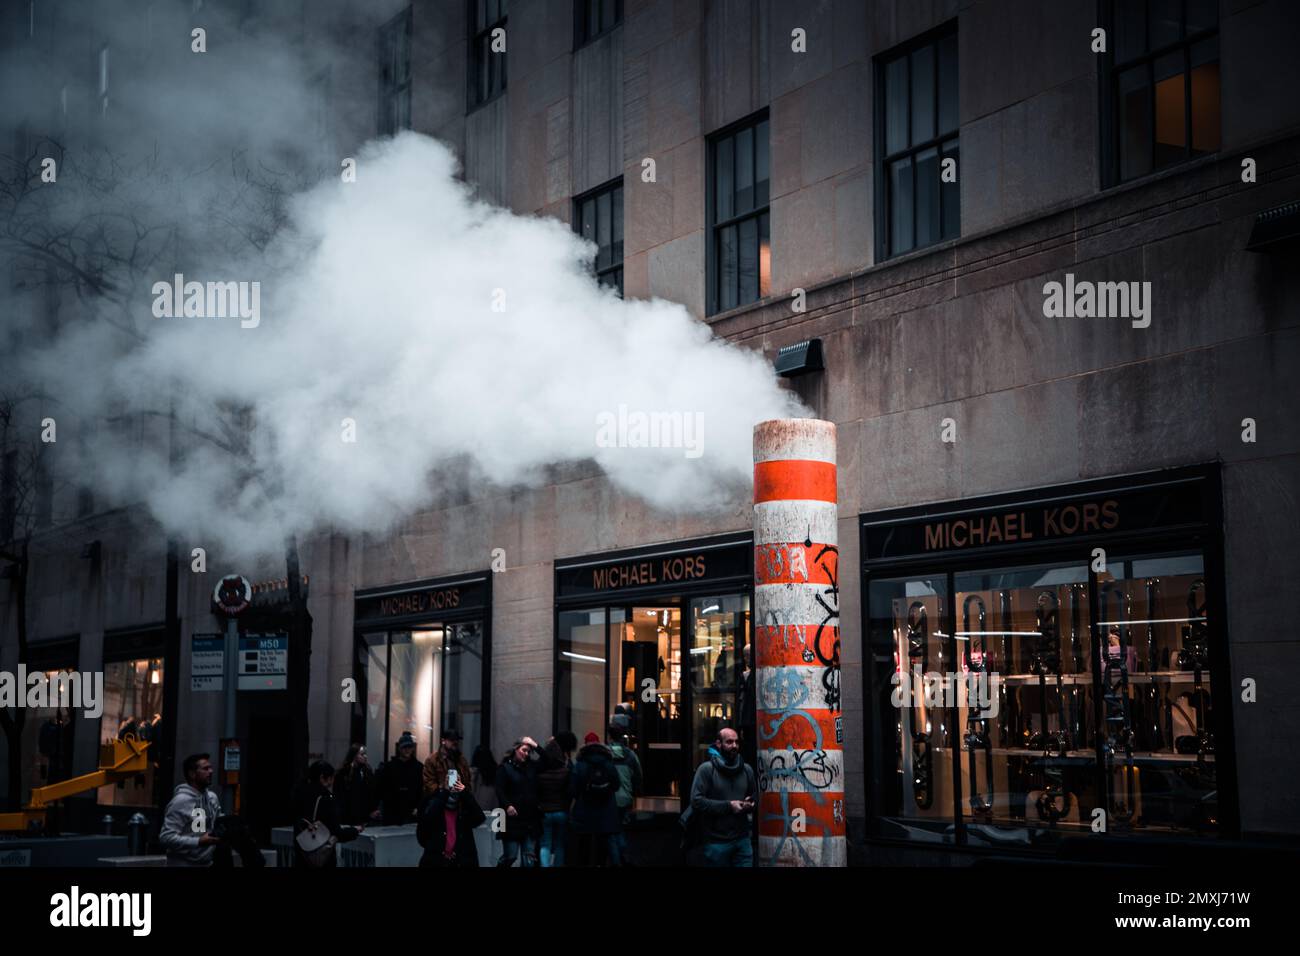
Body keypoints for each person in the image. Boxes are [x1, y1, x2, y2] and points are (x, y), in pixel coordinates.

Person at [689, 728, 756, 867]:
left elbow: (755, 796)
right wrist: (729, 806)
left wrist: (750, 803)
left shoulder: (746, 770)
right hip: (716, 843)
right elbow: (696, 801)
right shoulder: (706, 769)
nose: (734, 746)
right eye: (729, 742)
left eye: (736, 742)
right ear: (718, 744)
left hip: (742, 841)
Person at [418, 728, 480, 867]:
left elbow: (467, 782)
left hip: (459, 808)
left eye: (456, 741)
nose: (455, 743)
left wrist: (462, 790)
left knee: (459, 843)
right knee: (442, 843)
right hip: (440, 809)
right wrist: (443, 790)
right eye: (452, 740)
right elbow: (428, 784)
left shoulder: (461, 760)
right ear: (443, 741)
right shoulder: (432, 760)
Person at [292, 760, 360, 867]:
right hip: (321, 857)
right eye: (331, 778)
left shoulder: (299, 793)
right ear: (322, 778)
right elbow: (337, 832)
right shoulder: (326, 799)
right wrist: (354, 830)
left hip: (302, 854)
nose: (332, 782)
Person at [159, 753, 224, 867]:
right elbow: (166, 838)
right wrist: (198, 841)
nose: (211, 771)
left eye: (211, 768)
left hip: (207, 863)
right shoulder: (180, 801)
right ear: (192, 774)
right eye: (205, 768)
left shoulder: (212, 798)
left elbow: (214, 825)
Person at [569, 731, 622, 866]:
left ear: (585, 745)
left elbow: (573, 790)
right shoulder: (608, 763)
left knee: (584, 844)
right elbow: (616, 785)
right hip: (606, 811)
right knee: (602, 844)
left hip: (584, 811)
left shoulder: (580, 764)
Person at [494, 735, 543, 867]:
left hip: (530, 818)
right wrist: (507, 805)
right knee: (510, 856)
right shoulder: (505, 768)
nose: (526, 754)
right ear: (516, 749)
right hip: (512, 819)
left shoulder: (532, 767)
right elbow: (499, 789)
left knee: (529, 860)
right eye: (523, 750)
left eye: (528, 751)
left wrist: (534, 744)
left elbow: (549, 761)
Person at [606, 716, 643, 865]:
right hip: (626, 798)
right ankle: (624, 855)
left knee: (611, 832)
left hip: (609, 799)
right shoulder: (630, 755)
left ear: (609, 736)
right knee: (621, 829)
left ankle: (617, 861)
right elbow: (639, 776)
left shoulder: (605, 754)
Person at [536, 732, 575, 867]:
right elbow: (570, 791)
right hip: (561, 810)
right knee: (559, 845)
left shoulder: (539, 772)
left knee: (545, 845)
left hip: (545, 811)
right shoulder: (565, 771)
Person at [375, 731, 423, 825]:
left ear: (413, 748)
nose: (407, 750)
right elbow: (381, 789)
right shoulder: (389, 767)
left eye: (409, 747)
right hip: (393, 810)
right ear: (399, 748)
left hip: (410, 810)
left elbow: (422, 790)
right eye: (404, 747)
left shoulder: (418, 767)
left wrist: (418, 807)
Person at [334, 743, 379, 826]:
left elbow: (372, 792)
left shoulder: (367, 771)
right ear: (354, 755)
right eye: (362, 754)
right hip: (349, 816)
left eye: (365, 754)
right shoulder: (344, 773)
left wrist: (372, 810)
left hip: (365, 816)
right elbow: (339, 796)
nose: (365, 756)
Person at [737, 644, 757, 770]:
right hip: (748, 722)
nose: (746, 659)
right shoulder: (747, 676)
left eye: (748, 655)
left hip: (751, 721)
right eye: (745, 656)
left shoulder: (752, 676)